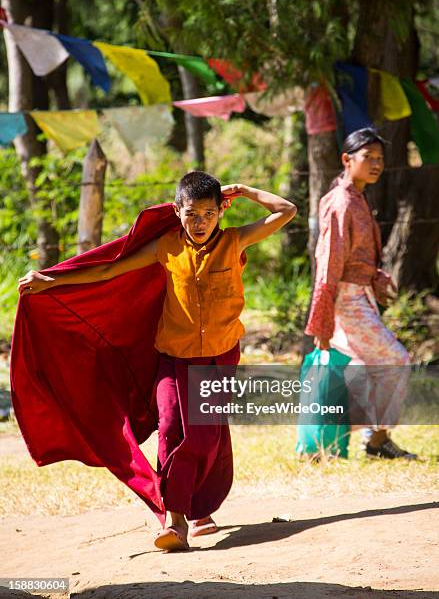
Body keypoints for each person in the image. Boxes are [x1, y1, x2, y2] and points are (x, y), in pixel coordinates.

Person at [18, 171, 297, 551]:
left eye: (208, 214)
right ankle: (176, 519)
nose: (200, 223)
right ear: (176, 211)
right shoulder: (165, 247)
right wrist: (52, 281)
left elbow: (287, 210)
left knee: (202, 435)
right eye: (191, 214)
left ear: (221, 212)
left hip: (217, 358)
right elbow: (109, 268)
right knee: (170, 428)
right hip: (173, 356)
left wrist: (246, 191)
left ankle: (197, 508)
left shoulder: (234, 241)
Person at [305, 127, 417, 460]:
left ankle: (367, 438)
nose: (376, 164)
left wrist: (375, 276)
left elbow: (355, 256)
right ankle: (373, 438)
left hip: (358, 295)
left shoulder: (356, 196)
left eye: (380, 158)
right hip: (345, 300)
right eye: (368, 157)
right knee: (396, 360)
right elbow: (328, 264)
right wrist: (322, 321)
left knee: (367, 366)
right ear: (346, 159)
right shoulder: (342, 201)